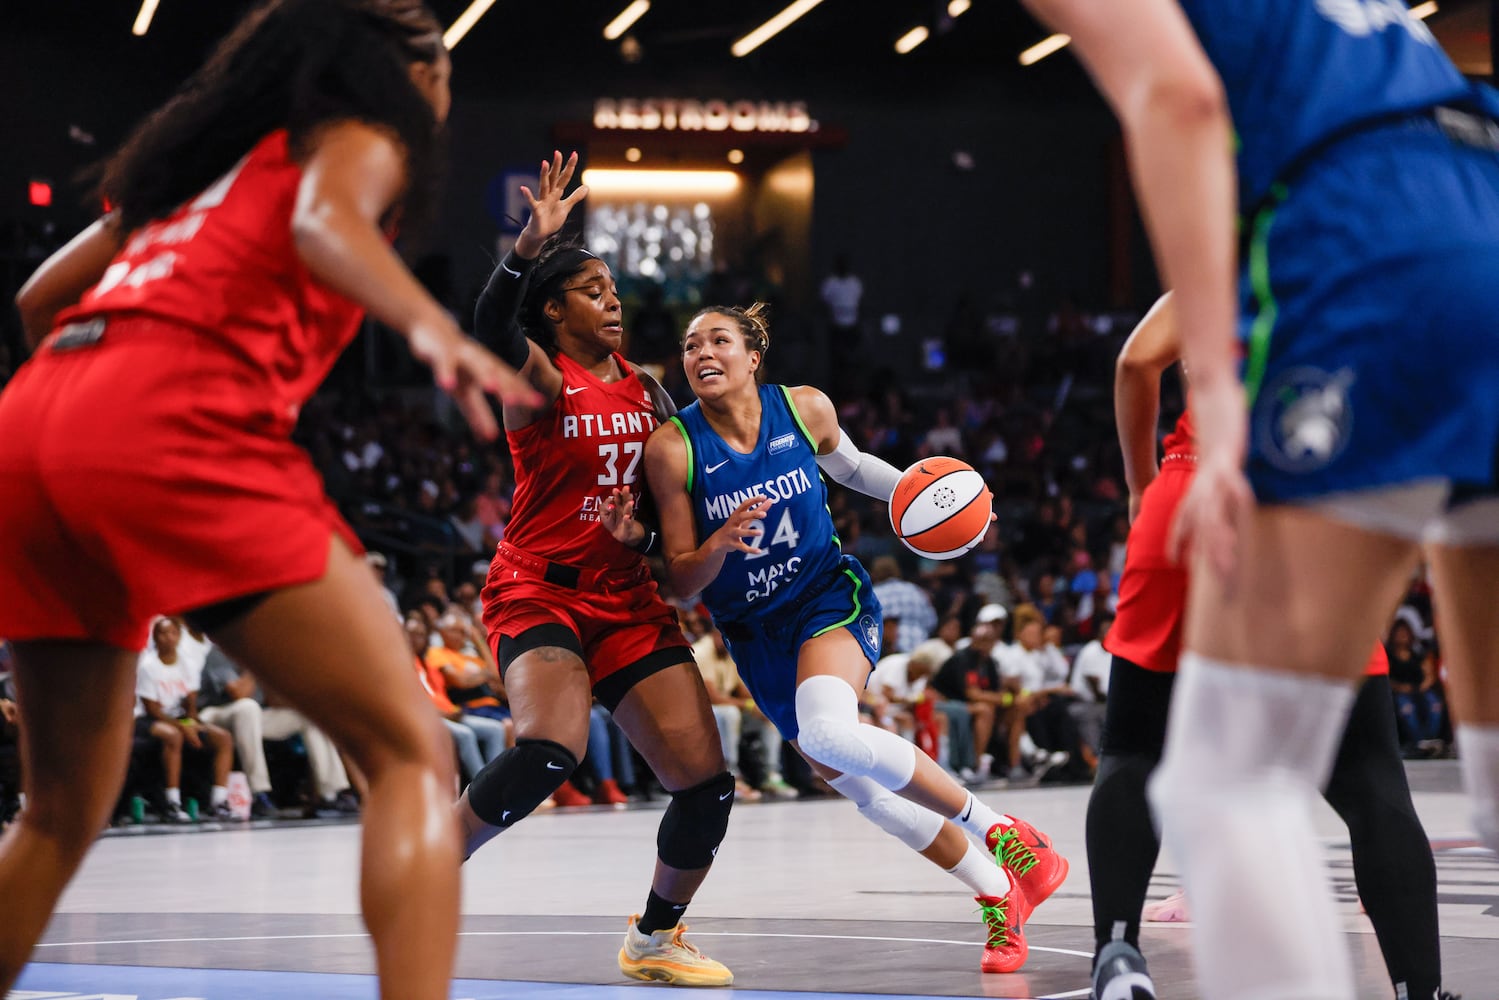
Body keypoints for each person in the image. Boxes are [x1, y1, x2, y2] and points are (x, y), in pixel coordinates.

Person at [0, 3, 537, 996]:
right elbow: (321, 221)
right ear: (414, 74)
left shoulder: (190, 168)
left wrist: (98, 444)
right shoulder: (366, 134)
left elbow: (38, 302)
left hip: (34, 422)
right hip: (174, 414)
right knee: (411, 751)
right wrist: (433, 327)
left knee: (56, 812)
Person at [1020, 1, 1499, 996]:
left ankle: (1131, 951)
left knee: (1220, 778)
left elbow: (1179, 96)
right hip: (1476, 196)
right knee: (1481, 755)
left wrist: (1224, 398)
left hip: (1364, 236)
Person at [634, 302, 1069, 973]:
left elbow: (855, 468)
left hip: (824, 597)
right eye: (690, 345)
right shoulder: (672, 447)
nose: (701, 354)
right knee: (866, 793)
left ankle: (1007, 836)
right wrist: (719, 543)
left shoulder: (804, 409)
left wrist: (937, 508)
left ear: (752, 357)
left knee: (830, 734)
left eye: (717, 340)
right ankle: (997, 895)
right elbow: (684, 580)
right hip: (754, 633)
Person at [1086, 294, 1454, 1000]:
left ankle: (1118, 955)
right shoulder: (1373, 263)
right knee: (1368, 775)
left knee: (1134, 746)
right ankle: (1417, 989)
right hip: (1308, 505)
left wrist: (1141, 487)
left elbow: (1135, 361)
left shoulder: (1233, 244)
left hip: (1186, 493)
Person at [460, 151, 735, 987]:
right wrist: (525, 245)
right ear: (552, 307)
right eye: (592, 290)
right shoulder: (538, 377)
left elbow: (669, 509)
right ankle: (424, 870)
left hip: (626, 597)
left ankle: (654, 938)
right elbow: (487, 329)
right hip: (539, 589)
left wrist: (649, 538)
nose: (613, 300)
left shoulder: (650, 393)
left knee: (706, 786)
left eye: (615, 290)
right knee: (549, 747)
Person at [134, 616, 235, 822]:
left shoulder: (188, 664)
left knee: (222, 737)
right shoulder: (148, 666)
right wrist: (183, 727)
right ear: (155, 638)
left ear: (179, 637)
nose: (168, 638)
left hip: (178, 719)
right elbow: (151, 709)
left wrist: (191, 724)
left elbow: (190, 705)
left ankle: (219, 802)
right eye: (163, 633)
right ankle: (172, 802)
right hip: (147, 720)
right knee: (173, 736)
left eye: (173, 633)